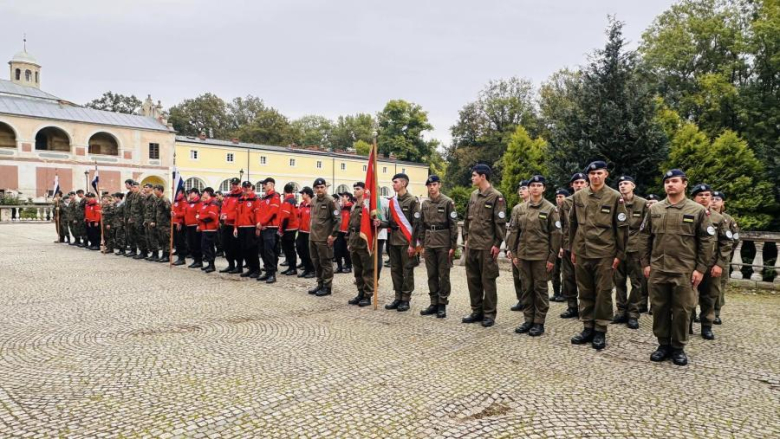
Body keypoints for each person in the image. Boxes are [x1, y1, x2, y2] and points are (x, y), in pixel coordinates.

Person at [641, 169, 714, 366]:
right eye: (667, 182)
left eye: (674, 181)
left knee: (683, 310)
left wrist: (700, 269)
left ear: (684, 184)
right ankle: (663, 344)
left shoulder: (696, 210)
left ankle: (678, 347)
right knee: (659, 308)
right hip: (658, 269)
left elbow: (707, 241)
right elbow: (646, 238)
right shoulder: (654, 210)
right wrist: (646, 263)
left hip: (684, 270)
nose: (670, 185)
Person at [569, 160, 628, 350]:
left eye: (599, 173)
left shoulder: (614, 197)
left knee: (603, 293)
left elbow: (621, 229)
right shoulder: (579, 196)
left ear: (606, 175)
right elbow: (572, 225)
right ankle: (587, 327)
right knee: (585, 290)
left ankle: (600, 330)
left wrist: (619, 253)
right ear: (588, 176)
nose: (595, 176)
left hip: (604, 253)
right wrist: (573, 249)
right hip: (582, 251)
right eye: (592, 174)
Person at [511, 175, 561, 337]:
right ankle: (528, 319)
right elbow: (514, 233)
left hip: (541, 256)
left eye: (539, 185)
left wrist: (552, 258)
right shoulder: (519, 209)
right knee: (526, 288)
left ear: (544, 188)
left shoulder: (550, 209)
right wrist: (514, 253)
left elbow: (556, 234)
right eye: (532, 185)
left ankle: (539, 322)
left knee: (540, 289)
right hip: (523, 256)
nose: (535, 188)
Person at [462, 164, 507, 327]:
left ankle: (489, 314)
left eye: (474, 175)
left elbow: (500, 224)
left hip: (487, 246)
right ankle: (476, 311)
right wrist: (466, 237)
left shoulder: (496, 196)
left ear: (483, 177)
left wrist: (497, 244)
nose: (472, 178)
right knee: (472, 280)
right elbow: (467, 218)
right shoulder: (473, 195)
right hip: (472, 245)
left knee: (487, 281)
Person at [690, 183, 733, 340]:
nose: (704, 198)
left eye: (707, 195)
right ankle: (687, 324)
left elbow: (727, 243)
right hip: (690, 264)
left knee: (709, 297)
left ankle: (706, 326)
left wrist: (719, 264)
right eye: (700, 195)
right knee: (687, 297)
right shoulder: (688, 214)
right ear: (693, 198)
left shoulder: (719, 218)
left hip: (711, 265)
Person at [413, 175, 458, 318]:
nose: (431, 187)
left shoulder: (448, 202)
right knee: (431, 274)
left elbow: (453, 225)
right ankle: (433, 302)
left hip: (443, 242)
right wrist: (422, 244)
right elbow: (421, 225)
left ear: (439, 185)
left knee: (443, 275)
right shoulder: (425, 204)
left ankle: (442, 304)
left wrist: (453, 245)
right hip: (429, 242)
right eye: (429, 185)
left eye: (434, 185)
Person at [613, 175, 648, 330]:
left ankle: (633, 313)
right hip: (617, 249)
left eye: (626, 183)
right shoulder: (614, 202)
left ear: (633, 186)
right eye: (620, 184)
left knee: (636, 283)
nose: (622, 186)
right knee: (618, 282)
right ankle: (621, 311)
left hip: (635, 250)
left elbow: (648, 229)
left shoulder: (643, 204)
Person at [381, 173, 420, 312]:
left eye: (395, 182)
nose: (393, 185)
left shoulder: (412, 201)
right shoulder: (393, 201)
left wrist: (413, 245)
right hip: (394, 241)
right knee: (395, 270)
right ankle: (397, 297)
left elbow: (416, 225)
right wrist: (381, 223)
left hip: (406, 242)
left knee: (407, 270)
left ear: (403, 183)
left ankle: (406, 299)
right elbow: (391, 223)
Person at [559, 173, 588, 319]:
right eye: (576, 182)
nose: (579, 185)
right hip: (568, 246)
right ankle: (571, 306)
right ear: (572, 185)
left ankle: (585, 307)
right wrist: (560, 246)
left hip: (584, 246)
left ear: (587, 184)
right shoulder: (566, 202)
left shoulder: (590, 200)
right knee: (568, 278)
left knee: (583, 279)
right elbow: (562, 225)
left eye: (582, 182)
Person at [308, 178, 340, 297]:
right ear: (315, 189)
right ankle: (320, 284)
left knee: (325, 262)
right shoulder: (314, 200)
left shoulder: (331, 201)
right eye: (317, 187)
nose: (320, 189)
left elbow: (337, 220)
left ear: (325, 188)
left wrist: (333, 235)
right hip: (313, 237)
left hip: (324, 238)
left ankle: (327, 286)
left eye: (322, 187)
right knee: (316, 262)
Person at [711, 190, 739, 324]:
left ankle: (716, 313)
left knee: (719, 286)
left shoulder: (729, 219)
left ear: (723, 202)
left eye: (717, 199)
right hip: (705, 257)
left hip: (721, 259)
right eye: (713, 198)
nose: (714, 201)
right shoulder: (703, 215)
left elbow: (734, 239)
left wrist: (724, 254)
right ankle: (702, 312)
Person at [346, 182, 375, 307]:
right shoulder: (353, 206)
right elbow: (350, 225)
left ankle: (367, 295)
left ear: (364, 190)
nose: (355, 191)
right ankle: (360, 293)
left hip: (364, 242)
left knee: (367, 270)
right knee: (357, 270)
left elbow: (373, 225)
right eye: (354, 189)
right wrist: (348, 240)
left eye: (358, 189)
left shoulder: (367, 207)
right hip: (354, 240)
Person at [506, 180, 530, 312]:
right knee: (517, 275)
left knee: (527, 276)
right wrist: (510, 247)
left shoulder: (536, 206)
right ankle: (521, 299)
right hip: (517, 246)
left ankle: (529, 301)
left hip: (530, 247)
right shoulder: (516, 208)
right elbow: (511, 229)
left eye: (524, 188)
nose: (521, 190)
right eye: (520, 188)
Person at [257, 178, 282, 283]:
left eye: (265, 184)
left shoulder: (275, 196)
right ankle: (267, 271)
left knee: (269, 251)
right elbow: (260, 212)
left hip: (270, 228)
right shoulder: (264, 198)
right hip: (263, 227)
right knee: (263, 251)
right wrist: (259, 224)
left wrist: (262, 223)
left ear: (271, 184)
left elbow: (272, 212)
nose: (263, 186)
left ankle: (272, 274)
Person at [235, 182, 261, 278]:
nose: (246, 189)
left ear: (251, 187)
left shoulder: (255, 199)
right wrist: (235, 227)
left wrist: (258, 227)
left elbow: (258, 213)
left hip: (251, 227)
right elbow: (237, 214)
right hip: (241, 227)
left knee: (252, 249)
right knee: (244, 249)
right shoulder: (240, 199)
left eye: (248, 187)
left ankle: (257, 269)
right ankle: (251, 268)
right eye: (245, 187)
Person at [550, 188, 570, 303]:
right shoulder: (553, 210)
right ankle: (556, 292)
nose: (558, 199)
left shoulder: (568, 210)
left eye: (561, 197)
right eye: (557, 197)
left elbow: (564, 230)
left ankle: (564, 293)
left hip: (564, 245)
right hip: (553, 245)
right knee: (554, 271)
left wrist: (562, 246)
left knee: (565, 272)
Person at [219, 178, 242, 273]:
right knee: (226, 245)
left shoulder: (241, 195)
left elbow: (239, 211)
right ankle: (231, 264)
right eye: (233, 184)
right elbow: (224, 207)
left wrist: (228, 216)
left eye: (236, 184)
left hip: (234, 225)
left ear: (239, 184)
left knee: (236, 247)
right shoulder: (228, 195)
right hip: (226, 224)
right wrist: (222, 215)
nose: (234, 185)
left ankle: (239, 266)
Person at [197, 187, 220, 273]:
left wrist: (200, 218)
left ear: (208, 193)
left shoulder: (212, 203)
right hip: (205, 228)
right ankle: (210, 264)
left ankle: (211, 264)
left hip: (210, 228)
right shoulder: (205, 203)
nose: (203, 194)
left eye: (204, 192)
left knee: (206, 246)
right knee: (207, 246)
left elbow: (212, 216)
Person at [279, 183, 300, 276]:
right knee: (290, 248)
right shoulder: (294, 200)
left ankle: (292, 268)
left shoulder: (287, 201)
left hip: (288, 228)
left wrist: (282, 230)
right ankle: (292, 267)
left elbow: (286, 217)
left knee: (288, 249)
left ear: (284, 191)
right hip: (293, 226)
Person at [296, 187, 315, 278]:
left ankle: (312, 270)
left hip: (309, 232)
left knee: (309, 252)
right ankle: (306, 268)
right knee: (301, 249)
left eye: (302, 193)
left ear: (307, 194)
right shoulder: (302, 204)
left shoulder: (313, 204)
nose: (301, 195)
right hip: (301, 231)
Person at [184, 188, 204, 269]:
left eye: (191, 193)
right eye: (189, 193)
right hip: (189, 225)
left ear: (196, 194)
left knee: (196, 244)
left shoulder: (198, 202)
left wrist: (199, 224)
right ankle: (195, 260)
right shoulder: (189, 203)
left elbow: (199, 213)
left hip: (195, 225)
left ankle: (199, 261)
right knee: (191, 244)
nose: (189, 194)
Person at [335, 192, 354, 273]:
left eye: (344, 196)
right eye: (341, 196)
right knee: (337, 249)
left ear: (348, 198)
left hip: (347, 231)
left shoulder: (351, 207)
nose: (342, 198)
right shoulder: (340, 207)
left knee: (347, 250)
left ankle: (348, 266)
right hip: (339, 231)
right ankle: (339, 266)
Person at [153, 185, 172, 263]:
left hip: (165, 224)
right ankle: (163, 255)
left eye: (155, 190)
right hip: (160, 224)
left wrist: (166, 221)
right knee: (162, 240)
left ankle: (167, 256)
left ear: (160, 190)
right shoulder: (158, 199)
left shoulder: (165, 199)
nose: (154, 191)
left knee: (166, 240)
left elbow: (169, 211)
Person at [130, 182, 148, 259]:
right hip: (134, 219)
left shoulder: (141, 196)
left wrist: (144, 220)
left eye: (135, 187)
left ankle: (144, 252)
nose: (133, 188)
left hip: (140, 219)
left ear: (139, 187)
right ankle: (140, 251)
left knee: (141, 236)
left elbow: (144, 209)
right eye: (132, 187)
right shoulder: (133, 196)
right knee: (137, 236)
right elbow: (132, 209)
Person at [171, 189, 188, 266]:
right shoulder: (175, 201)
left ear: (182, 193)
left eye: (178, 192)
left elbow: (184, 213)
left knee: (181, 241)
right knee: (176, 241)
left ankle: (182, 258)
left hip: (180, 223)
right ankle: (179, 256)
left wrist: (179, 221)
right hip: (174, 223)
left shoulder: (183, 201)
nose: (177, 194)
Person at [142, 183, 158, 261]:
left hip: (151, 220)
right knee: (148, 237)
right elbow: (145, 210)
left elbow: (155, 210)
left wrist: (153, 220)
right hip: (147, 220)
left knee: (153, 238)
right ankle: (152, 253)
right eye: (144, 187)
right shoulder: (146, 198)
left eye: (147, 187)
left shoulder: (153, 197)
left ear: (151, 188)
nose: (145, 188)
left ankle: (156, 254)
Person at [122, 180, 138, 256]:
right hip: (127, 217)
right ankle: (132, 250)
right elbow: (127, 207)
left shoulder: (135, 195)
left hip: (133, 218)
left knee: (134, 235)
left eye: (126, 184)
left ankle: (135, 251)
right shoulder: (128, 194)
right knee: (129, 234)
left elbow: (134, 208)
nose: (125, 185)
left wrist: (132, 217)